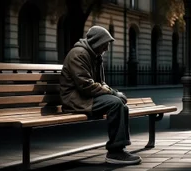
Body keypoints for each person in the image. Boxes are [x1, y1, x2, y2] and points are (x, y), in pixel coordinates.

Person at [59, 25, 142, 165]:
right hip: (75, 99)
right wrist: (112, 93)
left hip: (86, 96)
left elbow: (100, 83)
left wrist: (114, 92)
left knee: (120, 104)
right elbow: (86, 86)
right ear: (96, 42)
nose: (106, 49)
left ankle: (119, 148)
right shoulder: (79, 54)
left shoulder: (94, 55)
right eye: (105, 44)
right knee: (115, 104)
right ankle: (115, 152)